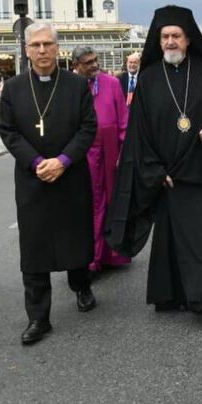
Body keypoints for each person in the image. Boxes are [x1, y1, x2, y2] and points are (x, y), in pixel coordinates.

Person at [109, 6, 202, 326]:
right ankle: (169, 292)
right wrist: (155, 170)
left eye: (176, 36)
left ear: (187, 40)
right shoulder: (149, 78)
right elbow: (139, 132)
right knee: (170, 233)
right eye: (165, 36)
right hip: (165, 173)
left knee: (201, 237)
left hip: (201, 169)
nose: (170, 41)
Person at [0, 24, 99, 345]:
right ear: (26, 49)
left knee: (75, 236)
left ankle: (81, 285)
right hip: (33, 179)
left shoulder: (76, 85)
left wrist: (63, 161)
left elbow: (88, 128)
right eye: (35, 45)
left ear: (58, 48)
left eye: (47, 44)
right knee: (34, 246)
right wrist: (38, 162)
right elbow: (8, 131)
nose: (42, 50)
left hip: (70, 176)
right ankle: (38, 318)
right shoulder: (12, 88)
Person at [71, 48, 132, 273]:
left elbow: (124, 120)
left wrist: (124, 152)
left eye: (95, 60)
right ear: (76, 65)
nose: (95, 65)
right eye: (88, 63)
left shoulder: (112, 83)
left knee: (111, 204)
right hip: (83, 154)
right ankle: (90, 258)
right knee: (88, 207)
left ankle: (112, 254)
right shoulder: (70, 86)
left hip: (110, 152)